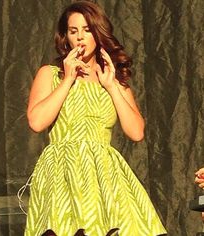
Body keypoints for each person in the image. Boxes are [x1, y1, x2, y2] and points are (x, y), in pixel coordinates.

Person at [24, 1, 167, 235]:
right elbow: (37, 122)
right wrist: (68, 79)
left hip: (104, 174)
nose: (80, 37)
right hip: (63, 172)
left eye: (87, 29)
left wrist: (111, 86)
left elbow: (136, 132)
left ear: (98, 33)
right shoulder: (50, 74)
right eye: (73, 31)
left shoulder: (114, 80)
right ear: (66, 37)